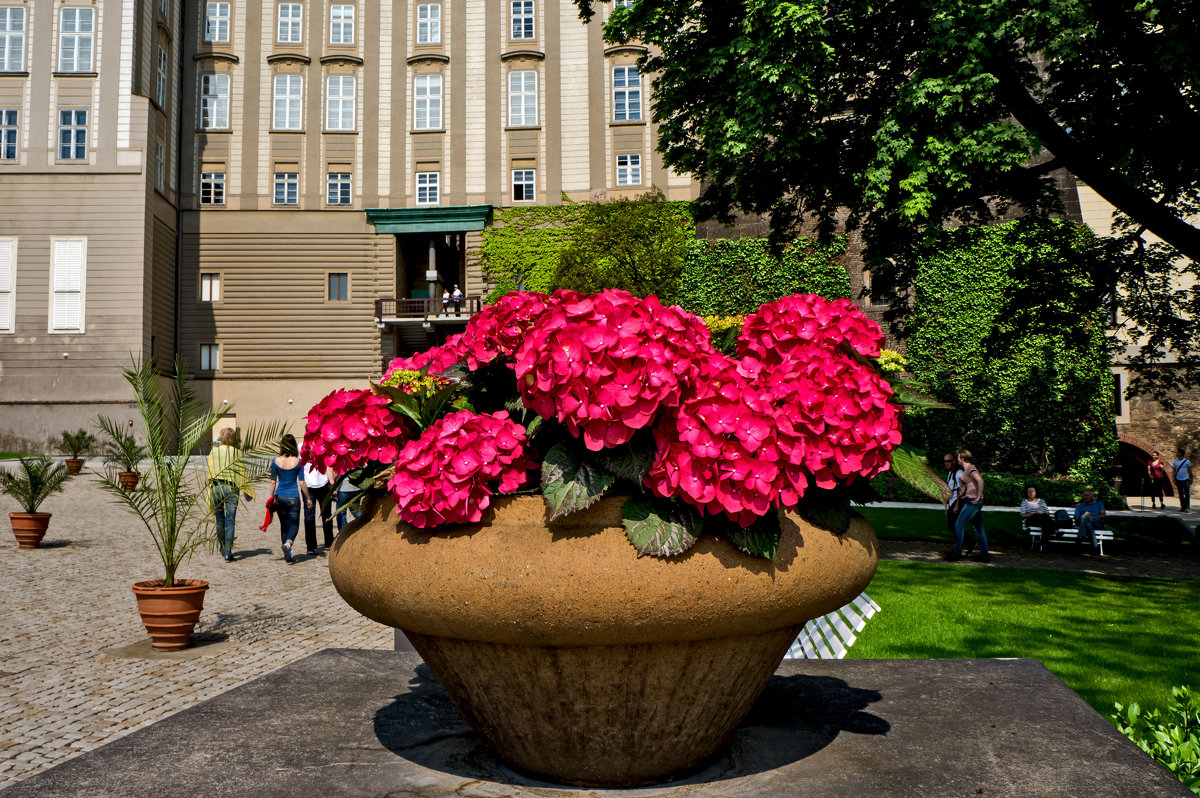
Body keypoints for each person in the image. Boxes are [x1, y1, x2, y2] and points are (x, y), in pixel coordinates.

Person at [207, 428, 252, 563]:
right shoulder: (237, 452)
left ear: (221, 438)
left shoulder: (214, 452)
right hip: (231, 488)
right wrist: (247, 491)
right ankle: (228, 552)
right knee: (230, 520)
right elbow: (241, 472)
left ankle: (222, 547)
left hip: (216, 487)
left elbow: (210, 471)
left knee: (219, 520)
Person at [269, 434, 309, 563]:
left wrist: (271, 498)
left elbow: (272, 482)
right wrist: (308, 498)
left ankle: (287, 551)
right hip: (293, 497)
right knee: (294, 525)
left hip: (280, 496)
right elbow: (302, 483)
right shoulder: (298, 461)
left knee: (284, 525)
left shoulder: (275, 461)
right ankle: (288, 545)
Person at [946, 450, 988, 563]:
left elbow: (980, 481)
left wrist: (978, 497)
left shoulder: (970, 468)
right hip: (969, 501)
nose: (957, 459)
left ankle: (956, 553)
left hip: (972, 501)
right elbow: (963, 489)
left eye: (958, 457)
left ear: (962, 458)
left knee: (958, 525)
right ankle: (984, 555)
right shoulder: (965, 471)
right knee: (978, 528)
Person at [302, 461, 335, 555]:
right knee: (309, 517)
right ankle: (311, 546)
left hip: (323, 484)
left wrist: (332, 482)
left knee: (327, 515)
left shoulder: (323, 447)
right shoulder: (300, 448)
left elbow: (329, 465)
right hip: (308, 486)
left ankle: (329, 542)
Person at [1073, 488, 1106, 554]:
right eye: (1084, 495)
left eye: (1087, 495)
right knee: (1088, 524)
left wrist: (1089, 517)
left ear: (1092, 497)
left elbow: (1103, 515)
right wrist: (1084, 518)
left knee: (1085, 517)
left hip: (1097, 523)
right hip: (1086, 524)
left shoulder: (1099, 503)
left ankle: (1081, 536)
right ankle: (1095, 547)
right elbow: (1076, 520)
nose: (1085, 497)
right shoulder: (1080, 506)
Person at [943, 453, 963, 536]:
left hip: (956, 502)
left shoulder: (958, 473)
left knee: (953, 526)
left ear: (954, 461)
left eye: (949, 461)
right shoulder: (950, 473)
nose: (946, 463)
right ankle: (961, 544)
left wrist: (957, 505)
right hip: (952, 502)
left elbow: (961, 489)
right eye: (945, 461)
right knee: (953, 526)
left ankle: (969, 542)